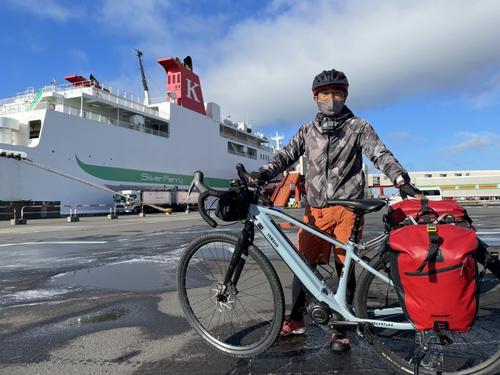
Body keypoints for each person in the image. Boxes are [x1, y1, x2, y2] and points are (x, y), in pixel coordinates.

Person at [250, 69, 422, 353]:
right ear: (315, 97)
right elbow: (285, 156)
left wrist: (401, 180)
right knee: (303, 266)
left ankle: (341, 328)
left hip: (347, 209)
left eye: (337, 93)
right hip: (314, 211)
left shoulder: (358, 126)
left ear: (345, 95)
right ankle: (295, 320)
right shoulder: (307, 130)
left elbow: (380, 153)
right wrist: (264, 172)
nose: (331, 99)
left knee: (345, 269)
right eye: (325, 94)